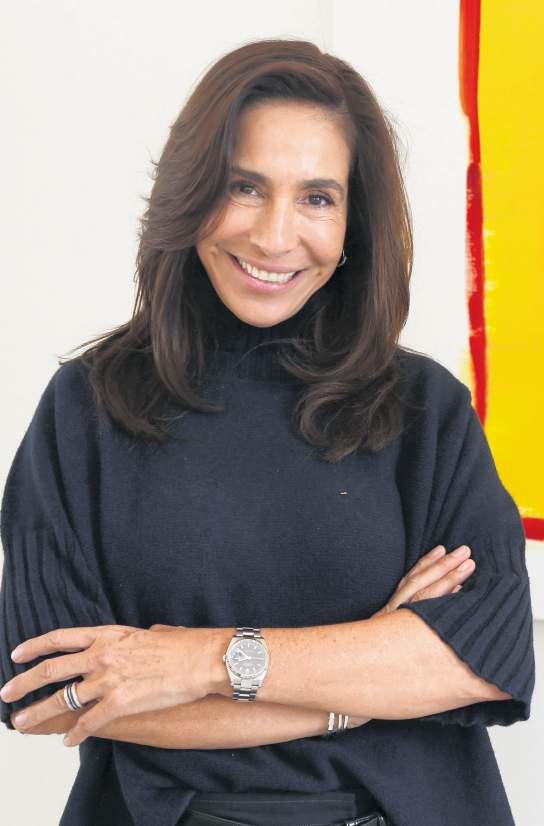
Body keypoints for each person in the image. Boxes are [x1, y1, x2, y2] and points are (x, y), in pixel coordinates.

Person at [0, 38, 534, 826]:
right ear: (189, 192)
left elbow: (484, 663)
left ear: (354, 223)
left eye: (317, 197)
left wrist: (198, 662)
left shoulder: (426, 410)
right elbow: (51, 694)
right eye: (244, 187)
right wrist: (367, 681)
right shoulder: (88, 408)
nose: (275, 236)